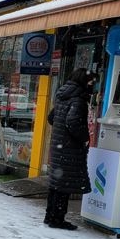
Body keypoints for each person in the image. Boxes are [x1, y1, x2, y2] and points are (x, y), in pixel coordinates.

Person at [45, 68, 94, 230]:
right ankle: (57, 219)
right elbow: (73, 122)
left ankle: (50, 216)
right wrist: (84, 138)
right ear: (83, 81)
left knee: (57, 183)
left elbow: (51, 118)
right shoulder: (78, 99)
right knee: (64, 185)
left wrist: (61, 132)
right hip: (69, 148)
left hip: (59, 146)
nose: (92, 84)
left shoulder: (62, 95)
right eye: (91, 81)